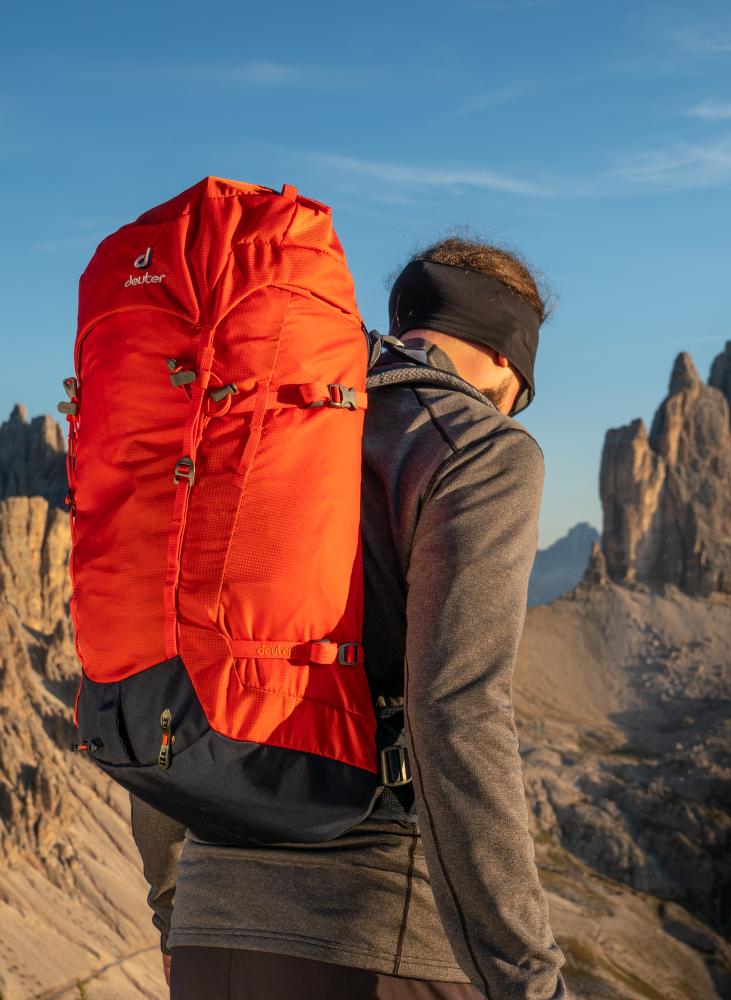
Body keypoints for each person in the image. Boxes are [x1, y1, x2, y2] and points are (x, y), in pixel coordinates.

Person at [131, 236, 569, 999]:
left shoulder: (254, 424)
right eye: (521, 393)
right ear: (507, 355)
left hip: (206, 935)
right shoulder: (478, 447)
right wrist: (527, 981)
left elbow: (166, 674)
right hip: (373, 940)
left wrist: (177, 904)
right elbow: (456, 713)